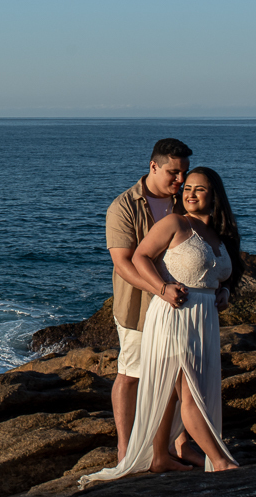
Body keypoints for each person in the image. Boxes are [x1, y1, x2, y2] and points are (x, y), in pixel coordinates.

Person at [80, 167, 244, 485]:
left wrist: (224, 290)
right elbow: (140, 257)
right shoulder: (174, 223)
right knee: (190, 393)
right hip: (174, 316)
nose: (190, 193)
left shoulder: (219, 234)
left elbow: (222, 274)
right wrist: (161, 288)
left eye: (199, 189)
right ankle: (220, 461)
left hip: (204, 320)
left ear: (215, 196)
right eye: (187, 188)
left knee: (172, 391)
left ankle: (159, 457)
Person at [103, 138, 196, 466]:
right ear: (153, 166)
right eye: (173, 172)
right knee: (131, 374)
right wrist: (160, 289)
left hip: (181, 305)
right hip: (139, 307)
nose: (180, 180)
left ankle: (178, 444)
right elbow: (122, 263)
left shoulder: (184, 201)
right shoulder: (124, 206)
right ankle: (125, 450)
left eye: (184, 173)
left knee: (180, 376)